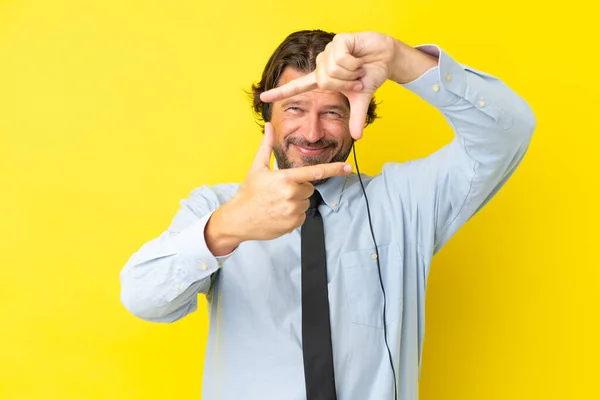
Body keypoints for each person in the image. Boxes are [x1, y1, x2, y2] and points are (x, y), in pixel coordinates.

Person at [120, 30, 536, 400]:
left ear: (360, 116)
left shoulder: (407, 201)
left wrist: (398, 58)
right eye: (295, 109)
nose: (313, 132)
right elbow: (143, 299)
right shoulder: (216, 208)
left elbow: (509, 130)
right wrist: (229, 228)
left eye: (332, 112)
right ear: (268, 116)